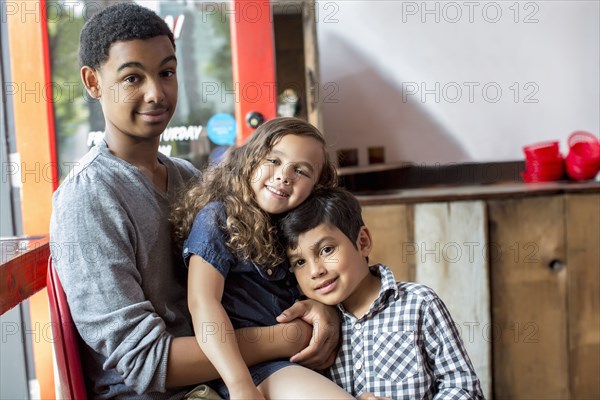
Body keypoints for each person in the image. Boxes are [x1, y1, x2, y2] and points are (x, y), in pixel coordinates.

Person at [49, 4, 340, 399]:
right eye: (132, 77)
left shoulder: (188, 177)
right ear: (93, 82)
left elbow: (254, 275)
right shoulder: (88, 198)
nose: (156, 92)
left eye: (167, 72)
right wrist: (287, 337)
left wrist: (319, 309)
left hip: (230, 374)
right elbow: (146, 363)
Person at [170, 117, 353, 399]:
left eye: (301, 171)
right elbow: (202, 302)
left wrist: (319, 306)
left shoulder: (300, 229)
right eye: (274, 160)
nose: (284, 175)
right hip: (252, 369)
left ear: (318, 185)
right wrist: (239, 384)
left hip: (306, 359)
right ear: (250, 160)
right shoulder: (218, 218)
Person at [279, 187, 486, 399]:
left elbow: (465, 389)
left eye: (326, 250)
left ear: (363, 242)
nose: (315, 271)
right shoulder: (312, 328)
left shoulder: (419, 304)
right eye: (300, 262)